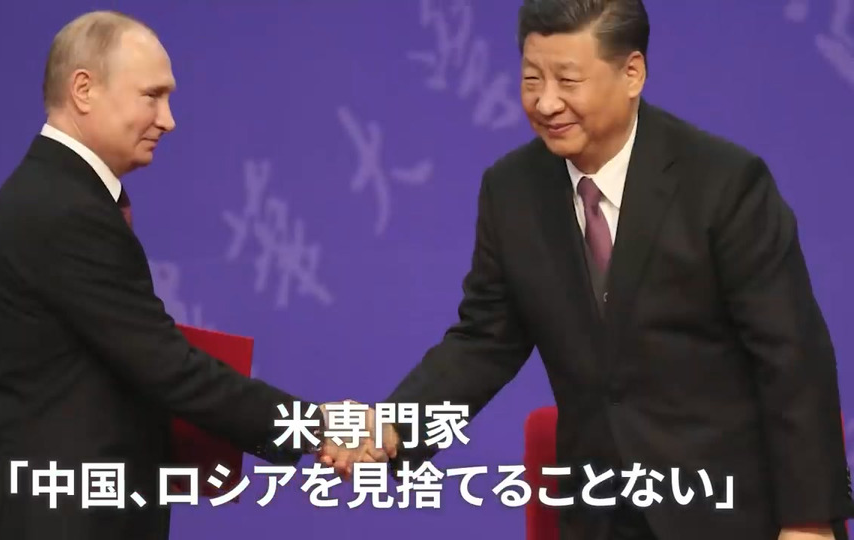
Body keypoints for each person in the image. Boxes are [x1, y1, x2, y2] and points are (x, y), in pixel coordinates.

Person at [324, 0, 854, 538]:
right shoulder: (512, 191)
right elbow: (485, 340)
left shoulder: (722, 183)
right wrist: (393, 425)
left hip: (727, 513)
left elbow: (791, 356)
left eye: (567, 80)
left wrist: (808, 522)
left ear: (632, 73)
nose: (546, 102)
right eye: (532, 79)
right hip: (598, 515)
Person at [0, 11, 334, 540]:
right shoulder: (64, 209)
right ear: (83, 90)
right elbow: (166, 366)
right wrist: (320, 428)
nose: (168, 120)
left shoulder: (61, 194)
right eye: (152, 96)